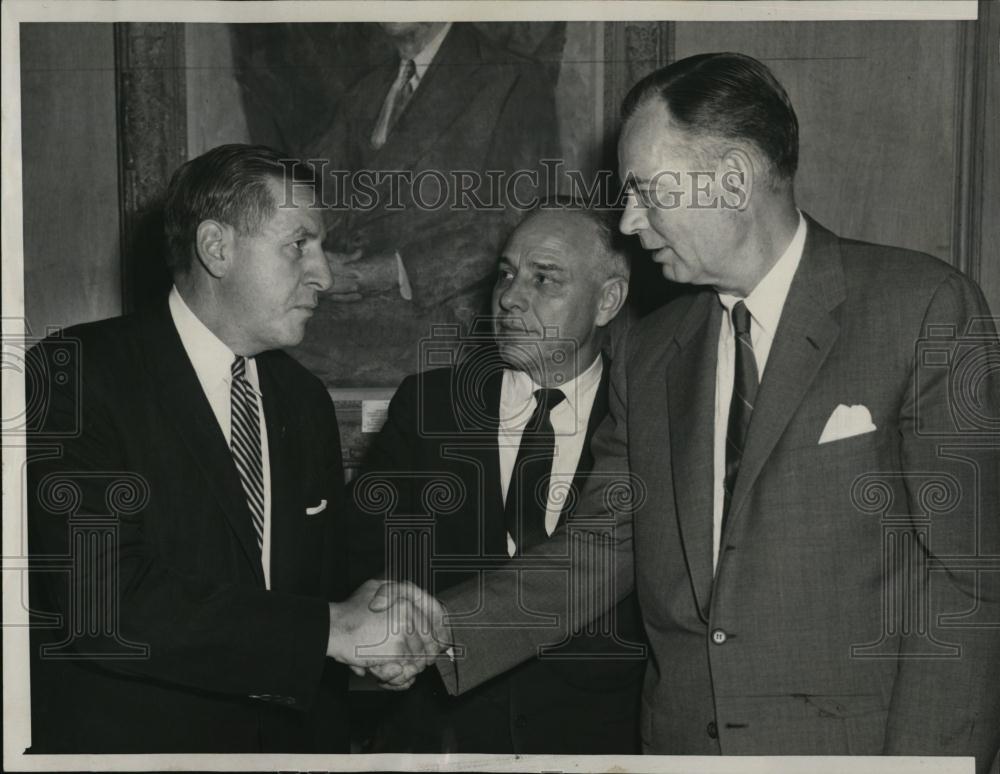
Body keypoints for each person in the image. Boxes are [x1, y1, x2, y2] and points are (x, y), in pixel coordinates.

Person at [396, 53, 1000, 769]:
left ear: (734, 181)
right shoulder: (651, 351)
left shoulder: (919, 307)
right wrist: (441, 629)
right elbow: (600, 547)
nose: (629, 219)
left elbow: (968, 583)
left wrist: (928, 764)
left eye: (647, 192)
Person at [25, 143, 442, 753]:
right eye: (299, 244)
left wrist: (377, 604)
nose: (324, 274)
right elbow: (104, 602)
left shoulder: (302, 398)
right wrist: (331, 627)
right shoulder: (76, 374)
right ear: (217, 248)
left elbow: (316, 586)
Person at [349, 206, 645, 753]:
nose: (509, 297)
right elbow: (365, 557)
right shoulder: (428, 407)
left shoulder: (650, 420)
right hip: (442, 735)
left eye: (543, 278)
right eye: (505, 274)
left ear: (608, 301)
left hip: (601, 743)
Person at [295, 21, 559, 387]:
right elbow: (310, 188)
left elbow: (518, 225)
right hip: (350, 300)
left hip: (448, 315)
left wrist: (387, 271)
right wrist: (310, 258)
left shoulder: (514, 79)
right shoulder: (368, 89)